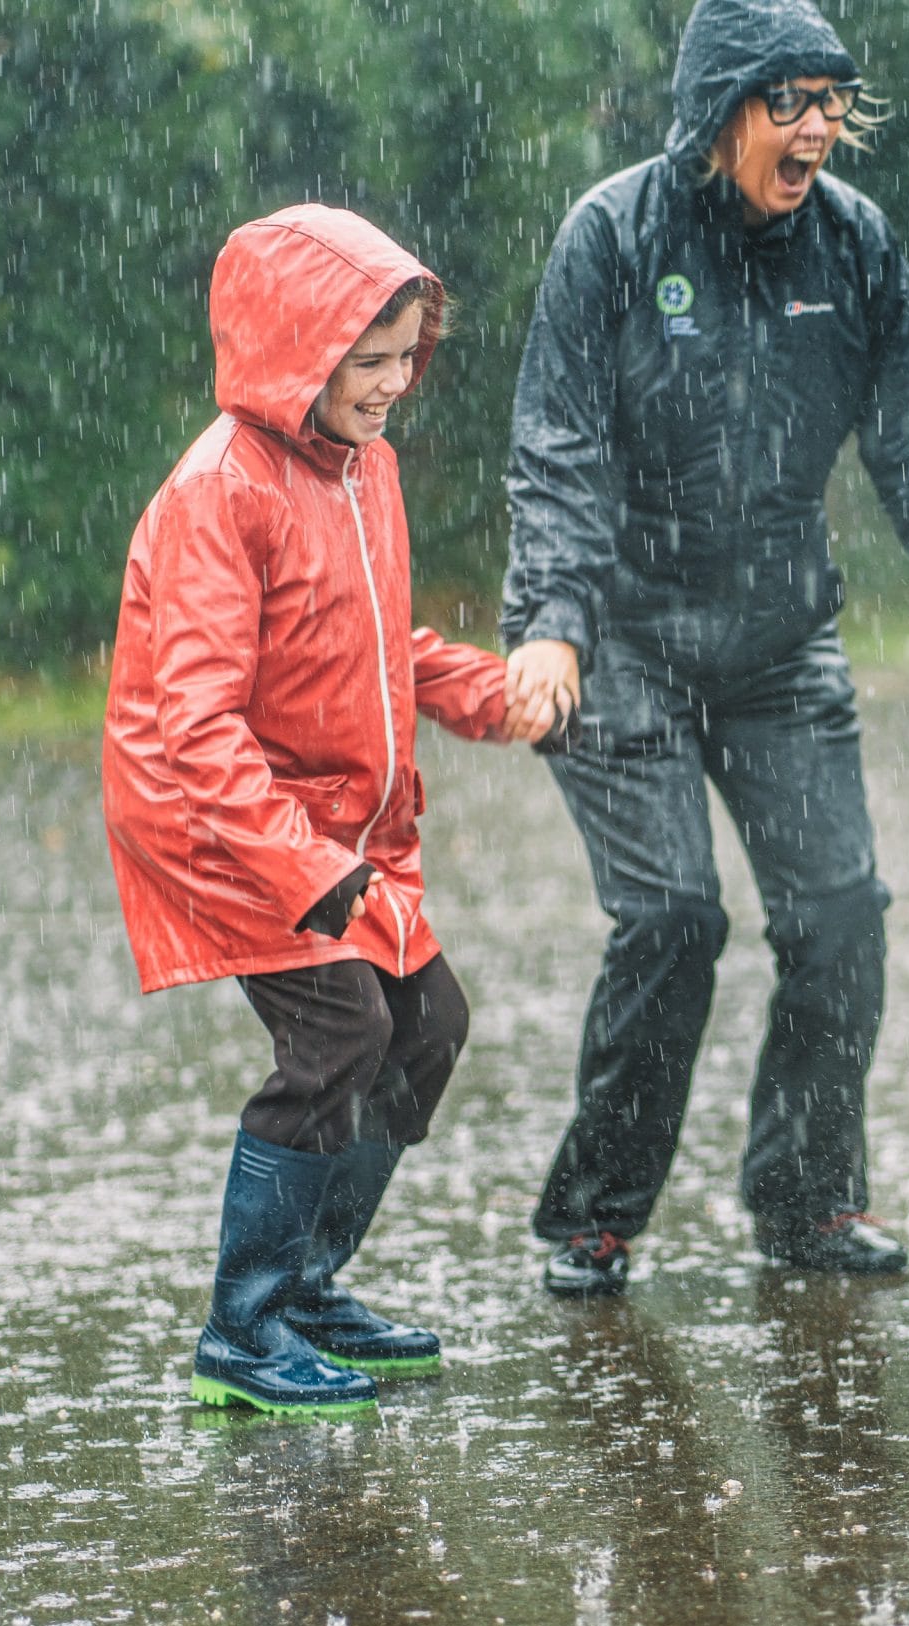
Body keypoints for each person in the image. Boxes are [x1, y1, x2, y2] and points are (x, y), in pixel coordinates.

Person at [497, 0, 909, 1296]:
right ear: (720, 112)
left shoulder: (855, 244)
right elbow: (556, 452)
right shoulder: (612, 235)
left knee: (840, 920)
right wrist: (553, 624)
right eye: (791, 100)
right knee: (672, 917)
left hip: (777, 640)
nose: (819, 126)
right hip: (621, 639)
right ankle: (596, 1213)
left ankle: (808, 1199)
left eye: (832, 99)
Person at [104, 205, 550, 1416]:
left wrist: (496, 695)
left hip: (326, 829)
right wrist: (301, 865)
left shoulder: (365, 469)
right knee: (341, 1033)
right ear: (294, 351)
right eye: (369, 359)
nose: (396, 383)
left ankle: (305, 1286)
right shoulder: (218, 494)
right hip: (222, 827)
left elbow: (375, 645)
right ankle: (243, 1331)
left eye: (409, 355)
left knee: (430, 1022)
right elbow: (193, 725)